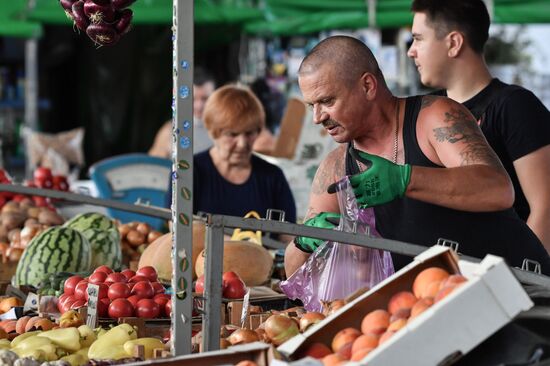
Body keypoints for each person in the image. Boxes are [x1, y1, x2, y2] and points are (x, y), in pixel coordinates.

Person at [284, 35, 550, 277]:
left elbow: (498, 189)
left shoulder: (435, 117)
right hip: (431, 307)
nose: (318, 118)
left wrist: (405, 179)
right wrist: (304, 241)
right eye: (312, 106)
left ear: (367, 85)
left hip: (516, 289)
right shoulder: (335, 166)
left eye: (328, 101)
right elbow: (294, 272)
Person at [407, 0, 550, 253]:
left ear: (453, 43)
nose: (411, 51)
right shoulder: (423, 111)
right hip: (442, 278)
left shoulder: (514, 106)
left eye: (419, 39)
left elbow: (546, 208)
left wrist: (524, 283)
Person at [194, 84, 296, 240]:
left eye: (249, 133)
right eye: (232, 134)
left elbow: (289, 239)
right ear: (213, 131)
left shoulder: (273, 177)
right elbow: (178, 233)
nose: (242, 143)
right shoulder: (190, 172)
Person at [149, 67, 216, 157]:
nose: (199, 106)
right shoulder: (169, 132)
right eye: (193, 99)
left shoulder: (224, 130)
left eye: (205, 98)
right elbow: (152, 169)